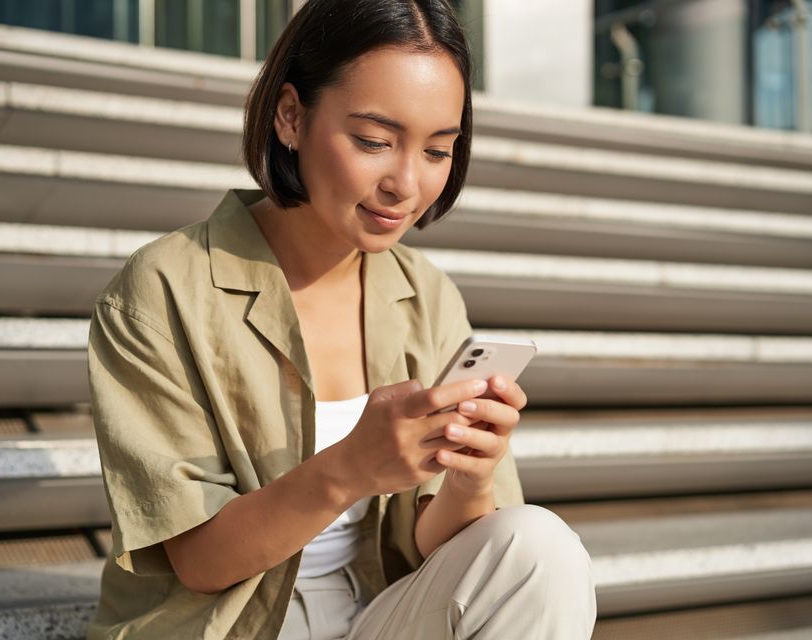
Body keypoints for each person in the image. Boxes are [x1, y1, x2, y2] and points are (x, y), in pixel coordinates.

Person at [86, 0, 596, 638]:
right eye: (374, 142)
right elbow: (198, 559)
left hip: (373, 613)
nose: (405, 183)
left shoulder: (426, 295)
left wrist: (471, 478)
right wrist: (353, 466)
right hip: (225, 623)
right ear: (291, 116)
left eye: (438, 150)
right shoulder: (162, 290)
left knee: (537, 547)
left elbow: (437, 550)